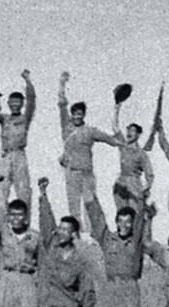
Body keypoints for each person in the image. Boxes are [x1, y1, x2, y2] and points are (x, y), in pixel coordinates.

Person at [36, 181, 94, 307]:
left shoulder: (80, 260)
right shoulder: (52, 248)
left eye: (65, 230)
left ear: (74, 234)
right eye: (59, 229)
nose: (60, 232)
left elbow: (87, 291)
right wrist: (43, 196)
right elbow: (46, 223)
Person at [57, 72, 121, 230]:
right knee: (73, 207)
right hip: (71, 173)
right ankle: (76, 235)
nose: (76, 116)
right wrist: (62, 84)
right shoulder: (66, 127)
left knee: (90, 205)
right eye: (74, 114)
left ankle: (93, 236)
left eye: (79, 114)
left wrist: (121, 137)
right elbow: (61, 104)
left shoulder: (90, 131)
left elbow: (111, 140)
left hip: (87, 174)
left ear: (83, 115)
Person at [0, 70, 36, 221]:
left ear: (21, 104)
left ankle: (25, 223)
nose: (15, 105)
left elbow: (32, 101)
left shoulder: (24, 118)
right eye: (12, 103)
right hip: (6, 156)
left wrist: (28, 81)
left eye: (18, 103)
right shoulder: (4, 118)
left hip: (19, 155)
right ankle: (3, 223)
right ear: (8, 104)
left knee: (23, 192)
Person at [108, 117, 155, 228]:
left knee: (134, 215)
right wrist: (117, 107)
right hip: (121, 182)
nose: (129, 132)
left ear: (138, 135)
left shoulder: (141, 153)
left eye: (132, 130)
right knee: (121, 214)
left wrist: (146, 187)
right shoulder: (123, 145)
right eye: (128, 130)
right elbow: (115, 127)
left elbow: (150, 174)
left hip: (134, 183)